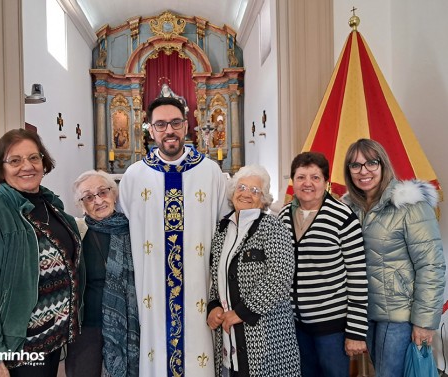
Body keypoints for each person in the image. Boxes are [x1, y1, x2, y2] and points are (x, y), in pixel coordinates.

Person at [118, 96, 230, 377]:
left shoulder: (211, 172)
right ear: (150, 129)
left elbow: (224, 227)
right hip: (152, 287)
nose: (169, 130)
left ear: (186, 125)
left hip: (198, 286)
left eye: (175, 123)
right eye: (161, 124)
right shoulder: (134, 175)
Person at [0, 129, 84, 377]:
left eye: (34, 158)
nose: (26, 166)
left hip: (54, 338)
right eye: (15, 160)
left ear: (43, 161)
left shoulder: (53, 207)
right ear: (1, 168)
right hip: (17, 349)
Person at [342, 139, 445, 377]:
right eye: (355, 165)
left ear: (383, 164)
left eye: (371, 163)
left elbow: (431, 265)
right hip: (364, 312)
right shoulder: (349, 208)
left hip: (400, 314)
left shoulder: (410, 206)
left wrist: (424, 322)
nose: (363, 171)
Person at [277, 151, 368, 377]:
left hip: (332, 327)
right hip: (294, 326)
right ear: (293, 181)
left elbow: (357, 276)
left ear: (325, 182)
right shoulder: (283, 216)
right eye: (301, 177)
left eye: (315, 177)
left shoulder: (342, 217)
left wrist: (356, 332)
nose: (307, 183)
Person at [207, 164, 300, 377]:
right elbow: (215, 275)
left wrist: (241, 312)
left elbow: (280, 276)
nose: (246, 194)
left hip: (266, 338)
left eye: (255, 190)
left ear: (264, 198)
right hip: (229, 339)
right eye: (241, 187)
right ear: (233, 192)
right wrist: (213, 306)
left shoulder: (273, 228)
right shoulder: (222, 230)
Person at [67, 170, 139, 377]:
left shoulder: (134, 229)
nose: (98, 200)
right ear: (81, 205)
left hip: (130, 322)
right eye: (88, 197)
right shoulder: (76, 234)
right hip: (87, 325)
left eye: (103, 192)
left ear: (114, 194)